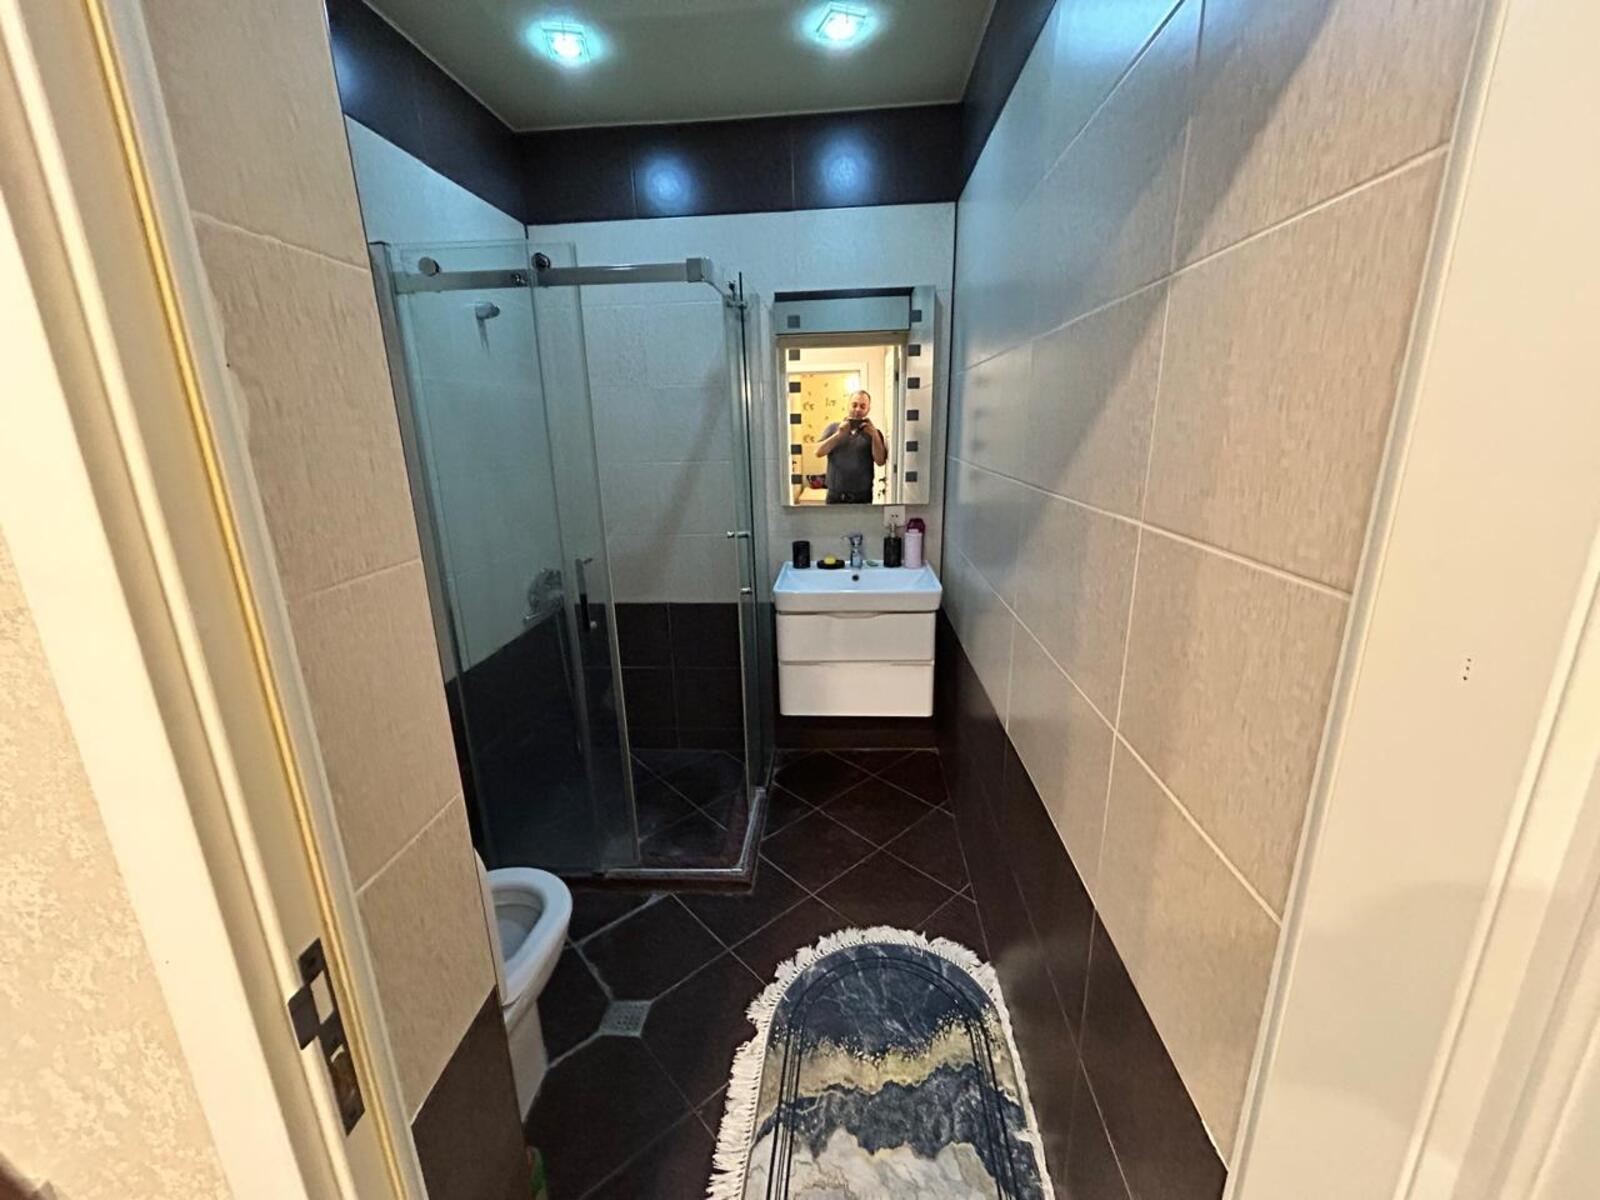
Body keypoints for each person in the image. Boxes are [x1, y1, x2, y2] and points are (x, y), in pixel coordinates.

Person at [815, 389, 887, 504]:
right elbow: (818, 452)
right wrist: (839, 435)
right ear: (848, 406)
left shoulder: (874, 433)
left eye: (863, 406)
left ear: (868, 409)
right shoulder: (833, 428)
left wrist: (874, 435)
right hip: (835, 496)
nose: (858, 409)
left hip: (862, 497)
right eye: (854, 405)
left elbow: (880, 461)